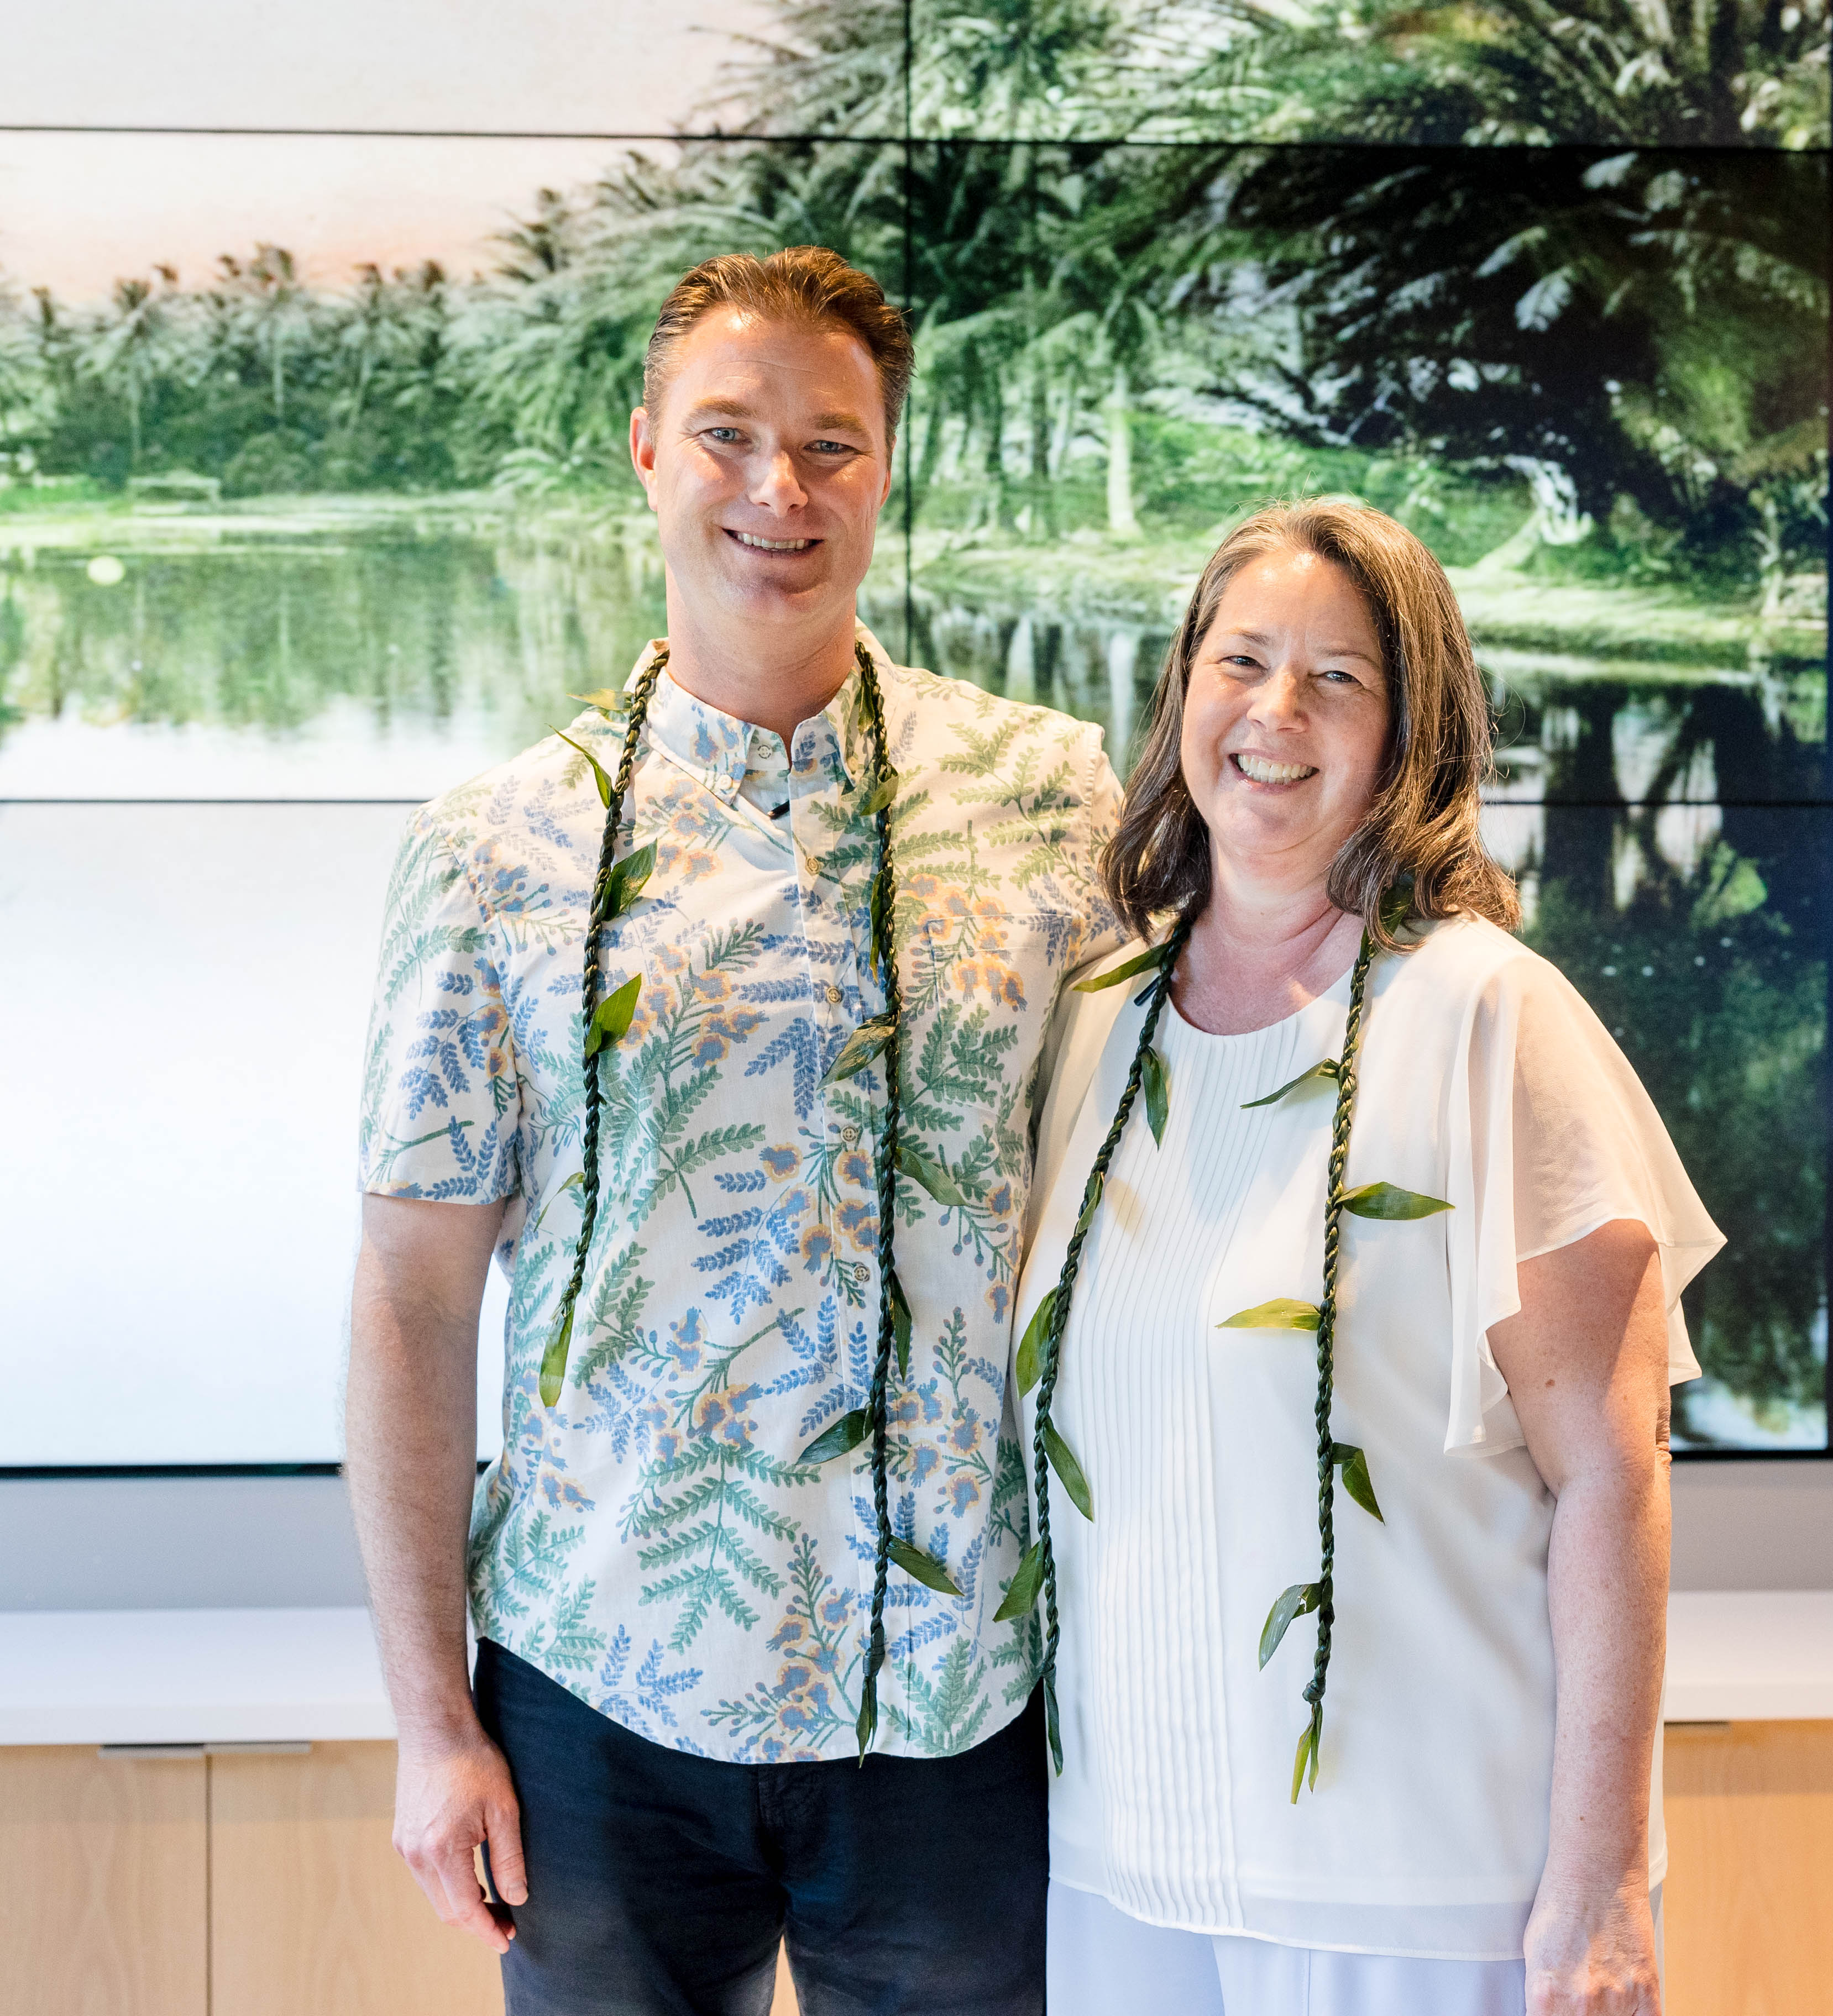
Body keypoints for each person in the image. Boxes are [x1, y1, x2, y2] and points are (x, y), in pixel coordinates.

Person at [345, 245, 1120, 2016]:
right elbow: (412, 1301)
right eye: (729, 435)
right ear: (644, 454)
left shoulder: (1051, 793)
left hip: (955, 1692)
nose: (782, 490)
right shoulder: (494, 846)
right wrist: (427, 1719)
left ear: (887, 469)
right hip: (601, 1689)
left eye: (833, 445)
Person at [1014, 497, 1722, 2016]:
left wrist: (1596, 1891)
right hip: (1121, 1879)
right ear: (1183, 688)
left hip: (1424, 1903)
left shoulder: (1486, 1019)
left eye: (1338, 678)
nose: (1277, 714)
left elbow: (1617, 1472)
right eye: (1243, 659)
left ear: (1415, 735)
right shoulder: (1091, 1018)